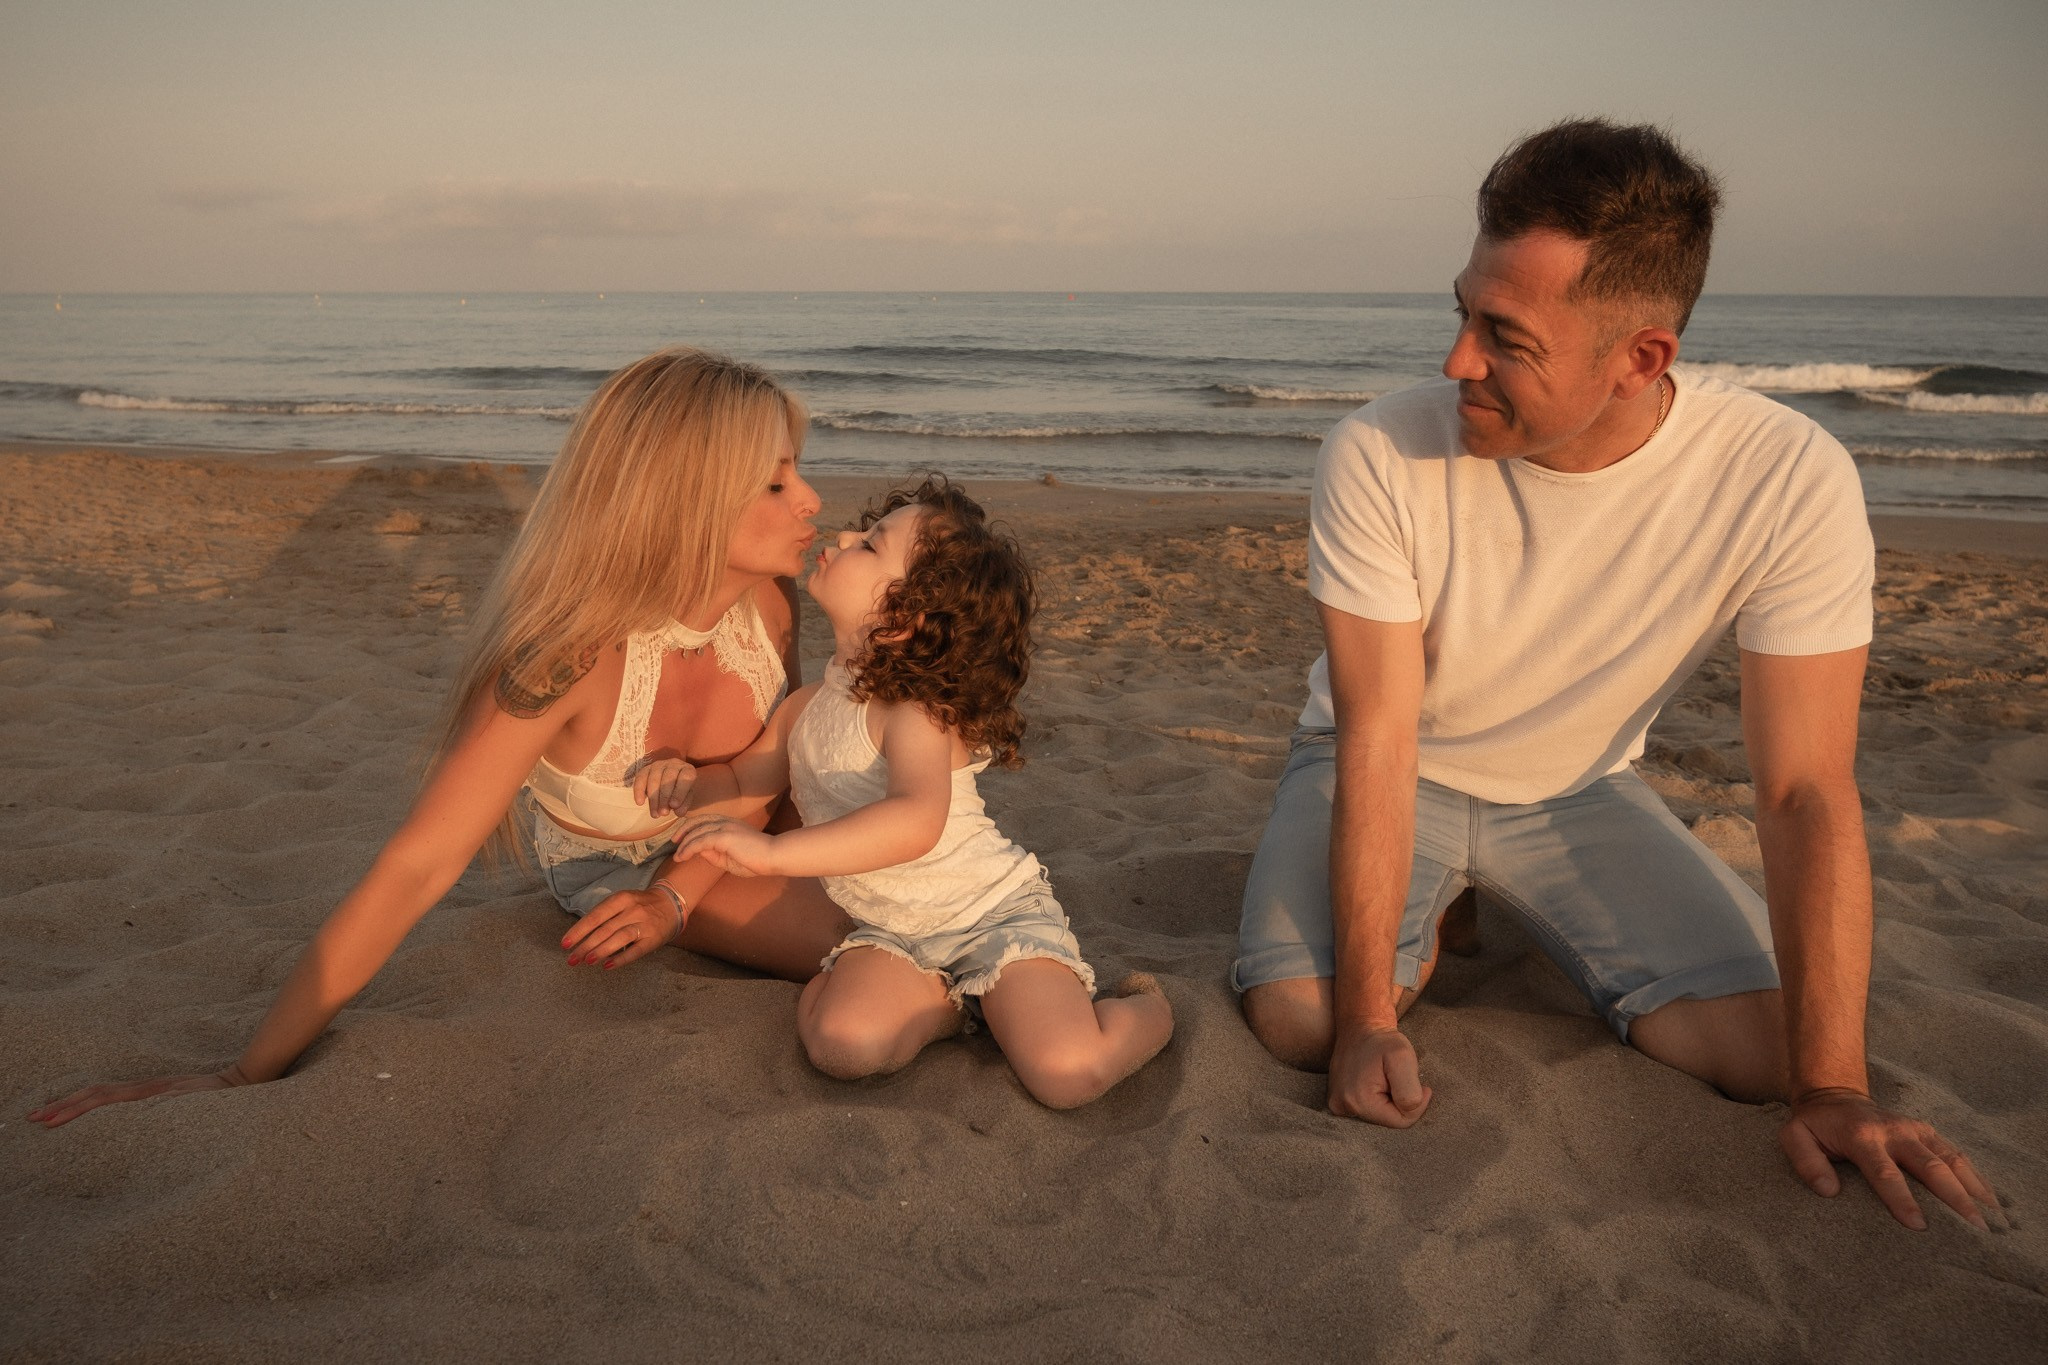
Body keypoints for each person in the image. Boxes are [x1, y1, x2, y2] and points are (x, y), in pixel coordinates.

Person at [1234, 119, 2000, 1230]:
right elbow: (1378, 741)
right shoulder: (1378, 451)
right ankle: (1432, 916)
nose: (1455, 361)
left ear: (1639, 357)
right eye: (1459, 312)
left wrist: (1835, 1091)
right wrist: (1365, 1023)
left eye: (1504, 337)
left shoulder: (1784, 478)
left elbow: (1800, 790)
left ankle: (1478, 906)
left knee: (1776, 1055)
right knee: (1303, 1025)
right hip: (1390, 765)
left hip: (1578, 789)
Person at [30, 349, 850, 1129]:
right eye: (775, 481)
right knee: (865, 933)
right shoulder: (566, 661)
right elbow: (415, 867)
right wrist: (242, 1072)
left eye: (797, 468)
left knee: (926, 880)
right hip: (628, 868)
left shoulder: (771, 608)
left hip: (746, 828)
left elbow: (774, 776)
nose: (810, 497)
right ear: (681, 495)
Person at [672, 476, 1174, 1109]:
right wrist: (687, 780)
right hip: (890, 930)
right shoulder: (804, 709)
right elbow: (747, 779)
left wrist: (774, 856)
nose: (846, 536)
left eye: (870, 545)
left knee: (1067, 1074)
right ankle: (950, 1003)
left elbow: (916, 819)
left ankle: (1147, 1009)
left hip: (989, 915)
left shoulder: (915, 710)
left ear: (904, 617)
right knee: (841, 1045)